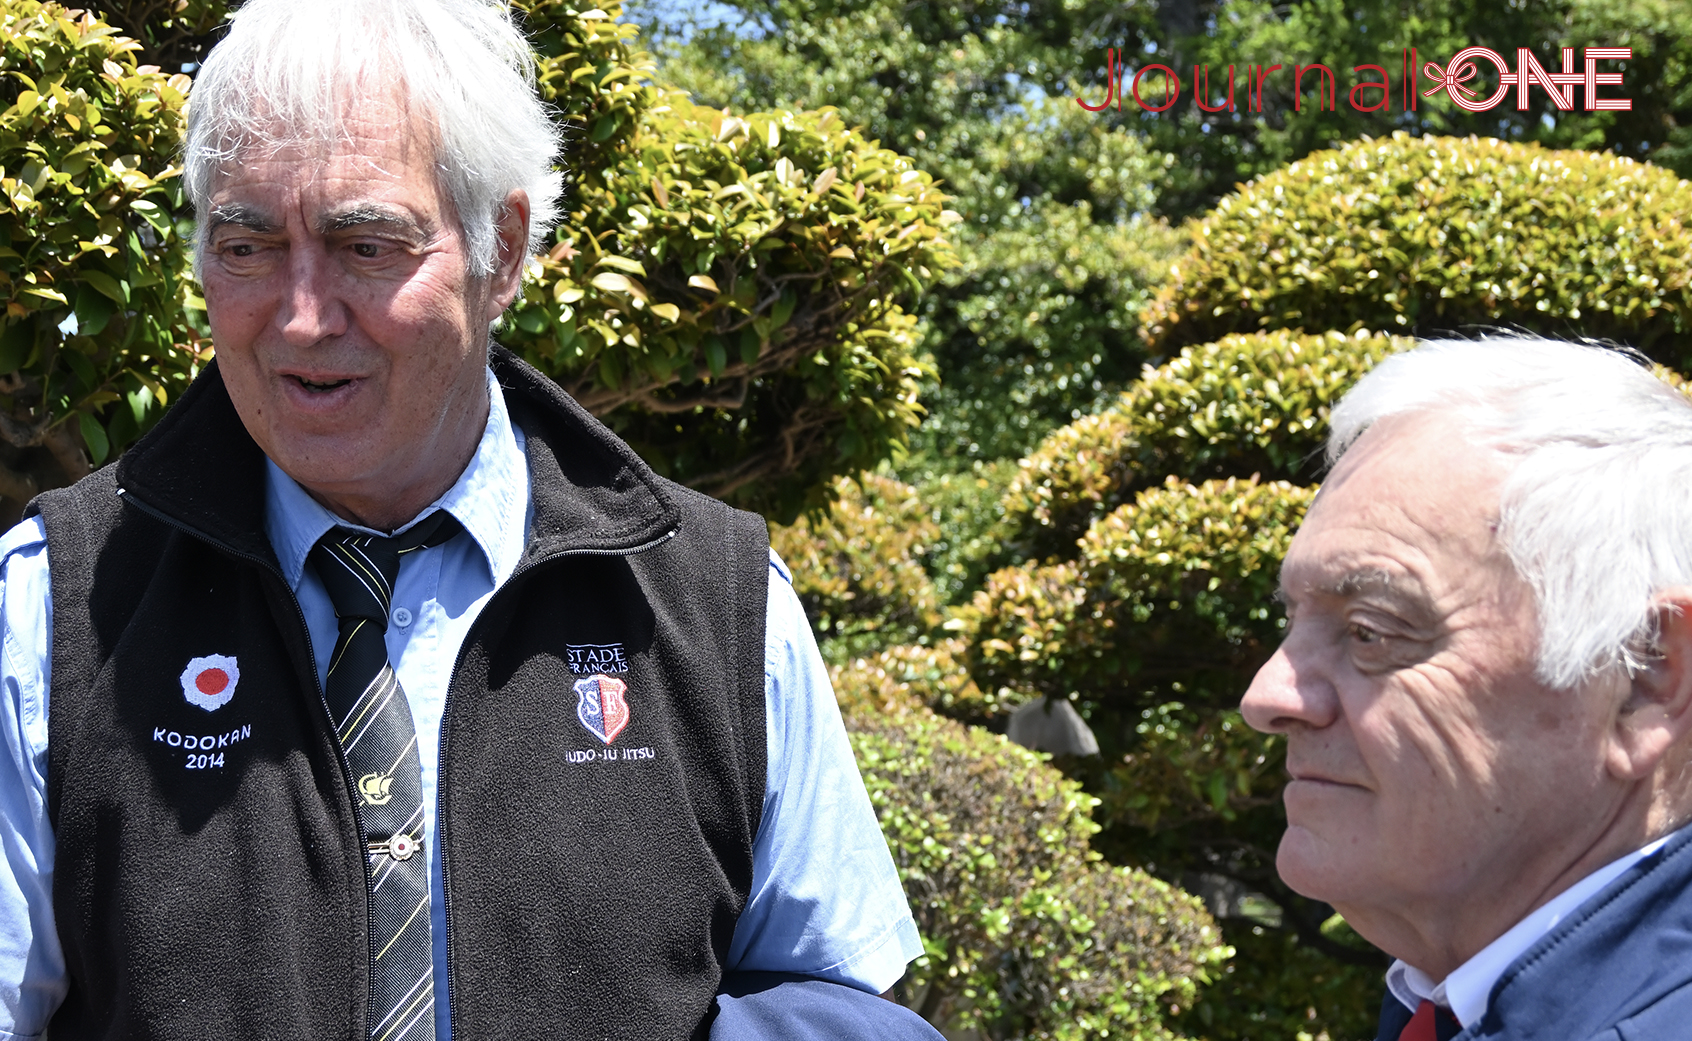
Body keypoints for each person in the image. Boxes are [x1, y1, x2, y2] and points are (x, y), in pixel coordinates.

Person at [0, 0, 940, 1037]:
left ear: (503, 248)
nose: (302, 316)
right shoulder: (53, 608)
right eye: (247, 245)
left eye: (366, 245)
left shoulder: (719, 606)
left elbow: (835, 1000)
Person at [1242, 337, 1692, 1041]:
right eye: (1293, 622)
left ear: (1644, 674)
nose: (1267, 695)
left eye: (1370, 630)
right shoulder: (1456, 1002)